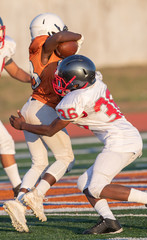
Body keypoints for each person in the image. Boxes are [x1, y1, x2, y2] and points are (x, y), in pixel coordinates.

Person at [8, 55, 147, 234]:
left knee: (96, 187)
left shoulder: (75, 100)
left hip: (121, 142)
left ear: (77, 82)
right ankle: (109, 221)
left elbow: (50, 130)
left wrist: (23, 126)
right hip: (123, 137)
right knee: (84, 182)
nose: (59, 82)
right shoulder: (95, 81)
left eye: (63, 79)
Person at [3, 13, 84, 233]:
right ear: (51, 29)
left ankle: (18, 202)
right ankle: (36, 195)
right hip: (43, 109)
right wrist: (78, 35)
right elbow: (54, 40)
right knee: (66, 158)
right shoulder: (42, 45)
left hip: (32, 106)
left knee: (38, 163)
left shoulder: (45, 49)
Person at [0, 17, 31, 197]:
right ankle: (18, 187)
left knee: (5, 142)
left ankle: (17, 188)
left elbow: (13, 69)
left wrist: (32, 80)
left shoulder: (5, 47)